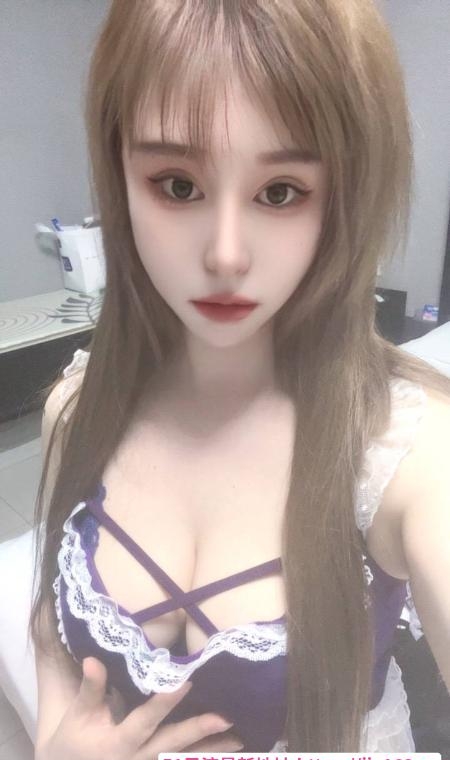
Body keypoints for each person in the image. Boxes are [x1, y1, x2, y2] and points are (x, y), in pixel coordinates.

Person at [29, 1, 450, 757]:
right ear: (119, 179)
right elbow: (48, 635)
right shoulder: (77, 411)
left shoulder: (406, 456)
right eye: (177, 185)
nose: (226, 254)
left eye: (280, 191)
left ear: (345, 197)